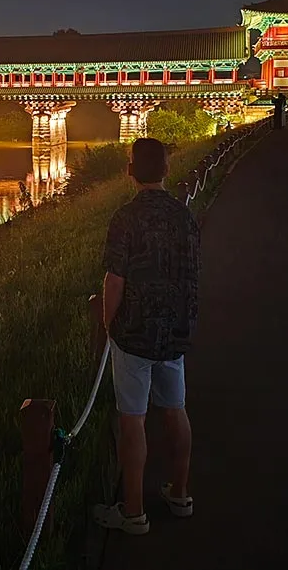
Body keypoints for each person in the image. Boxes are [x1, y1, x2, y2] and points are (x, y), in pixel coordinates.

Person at [94, 138, 200, 535]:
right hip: (175, 330)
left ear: (130, 172)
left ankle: (134, 512)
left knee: (132, 419)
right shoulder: (184, 216)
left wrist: (109, 324)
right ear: (167, 171)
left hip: (134, 332)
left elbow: (115, 279)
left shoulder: (125, 217)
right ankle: (180, 492)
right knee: (175, 409)